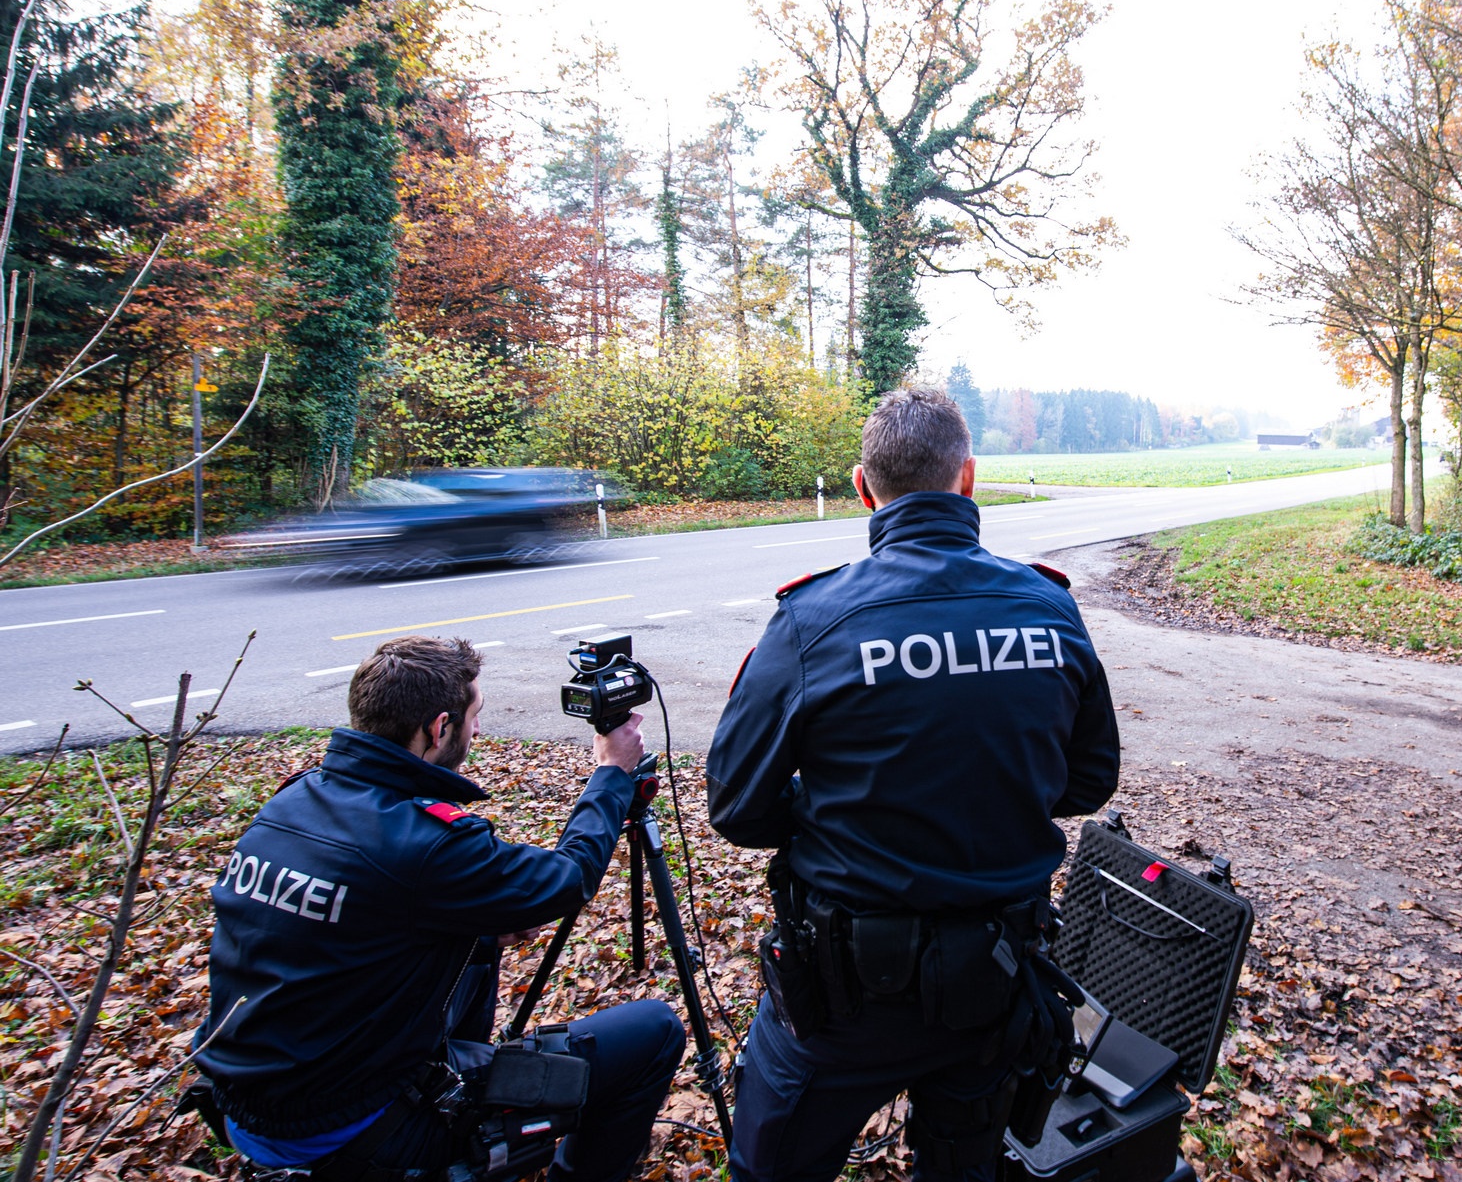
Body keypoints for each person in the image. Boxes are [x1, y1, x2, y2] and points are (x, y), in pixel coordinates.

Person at [707, 386, 1121, 1182]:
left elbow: (736, 804)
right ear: (968, 477)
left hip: (846, 1001)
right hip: (994, 978)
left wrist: (840, 813)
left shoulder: (812, 619)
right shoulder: (1049, 607)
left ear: (865, 487)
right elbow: (1089, 778)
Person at [194, 636, 685, 1181]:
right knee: (656, 1031)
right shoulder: (422, 840)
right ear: (439, 727)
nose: (477, 731)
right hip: (352, 1127)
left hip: (246, 1103)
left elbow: (351, 921)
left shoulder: (291, 802)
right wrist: (612, 775)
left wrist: (479, 930)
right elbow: (565, 881)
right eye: (474, 717)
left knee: (474, 942)